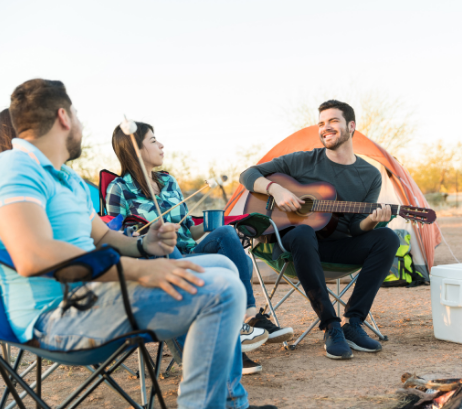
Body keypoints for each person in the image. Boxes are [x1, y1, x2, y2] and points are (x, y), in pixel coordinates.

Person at [0, 79, 262, 408]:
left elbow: (105, 236)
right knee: (223, 291)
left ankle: (227, 399)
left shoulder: (68, 178)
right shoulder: (15, 166)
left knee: (223, 266)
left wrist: (145, 245)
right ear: (64, 116)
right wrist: (141, 271)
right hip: (56, 318)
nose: (81, 123)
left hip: (92, 295)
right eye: (78, 115)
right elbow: (32, 255)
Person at [106, 122, 293, 373]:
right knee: (169, 245)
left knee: (226, 232)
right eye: (153, 141)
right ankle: (233, 341)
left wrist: (208, 226)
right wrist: (149, 234)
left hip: (188, 252)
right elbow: (117, 235)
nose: (161, 145)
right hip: (157, 260)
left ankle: (246, 315)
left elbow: (187, 229)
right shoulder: (119, 189)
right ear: (136, 150)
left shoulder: (168, 181)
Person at [239, 100, 400, 360]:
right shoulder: (303, 161)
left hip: (337, 247)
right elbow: (248, 174)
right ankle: (330, 325)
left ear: (351, 126)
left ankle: (353, 324)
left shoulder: (369, 175)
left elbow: (358, 230)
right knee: (303, 233)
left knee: (387, 238)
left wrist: (371, 221)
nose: (326, 128)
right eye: (321, 123)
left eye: (333, 121)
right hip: (295, 247)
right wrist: (276, 189)